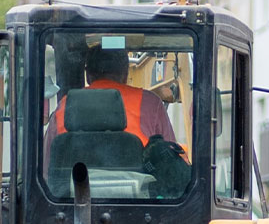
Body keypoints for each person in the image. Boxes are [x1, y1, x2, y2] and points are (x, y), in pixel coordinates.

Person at [45, 47, 176, 151]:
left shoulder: (65, 105)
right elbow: (172, 158)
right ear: (125, 74)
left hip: (72, 184)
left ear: (88, 75)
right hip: (139, 185)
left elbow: (46, 168)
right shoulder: (150, 103)